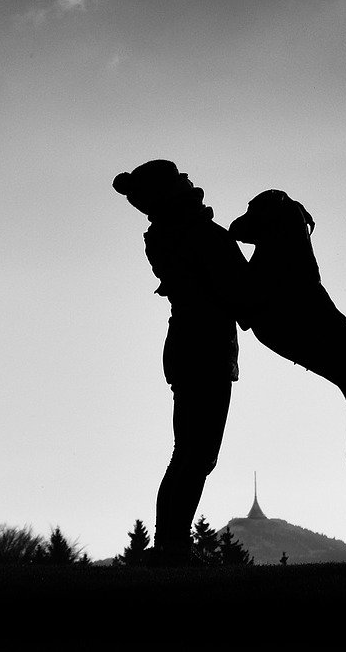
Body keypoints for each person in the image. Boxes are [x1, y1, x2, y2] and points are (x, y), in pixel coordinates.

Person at [113, 160, 247, 565]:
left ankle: (171, 542)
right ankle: (172, 546)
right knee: (196, 454)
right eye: (181, 179)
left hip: (188, 344)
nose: (192, 182)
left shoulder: (168, 234)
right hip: (204, 346)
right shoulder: (198, 234)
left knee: (188, 452)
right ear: (171, 191)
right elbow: (241, 290)